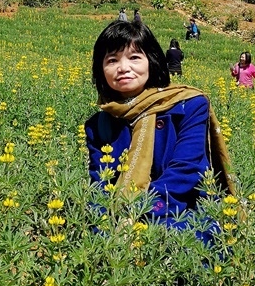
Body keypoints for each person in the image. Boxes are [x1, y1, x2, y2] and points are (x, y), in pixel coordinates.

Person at [84, 20, 235, 246]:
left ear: (152, 61)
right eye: (112, 60)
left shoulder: (190, 105)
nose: (123, 67)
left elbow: (187, 170)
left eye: (134, 57)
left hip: (181, 211)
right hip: (119, 216)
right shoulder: (99, 124)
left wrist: (138, 212)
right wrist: (107, 219)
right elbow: (101, 183)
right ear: (101, 70)